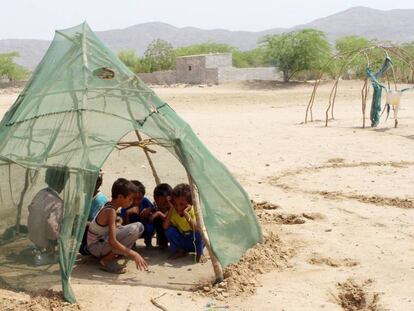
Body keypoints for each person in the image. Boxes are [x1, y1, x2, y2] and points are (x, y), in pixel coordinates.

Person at [87, 178, 147, 274]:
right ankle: (106, 260)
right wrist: (134, 254)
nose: (131, 202)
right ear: (120, 197)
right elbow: (112, 241)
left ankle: (112, 255)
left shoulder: (110, 206)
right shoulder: (111, 211)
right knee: (134, 229)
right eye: (130, 199)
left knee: (139, 227)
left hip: (100, 242)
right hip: (96, 247)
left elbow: (114, 230)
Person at [28, 166, 69, 265]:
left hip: (33, 235)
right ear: (61, 183)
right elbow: (51, 226)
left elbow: (30, 208)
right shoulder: (58, 202)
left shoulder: (40, 193)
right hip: (44, 239)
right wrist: (52, 245)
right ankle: (48, 253)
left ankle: (39, 249)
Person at [163, 183, 203, 262]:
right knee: (169, 231)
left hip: (195, 243)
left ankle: (200, 254)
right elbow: (165, 226)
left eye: (182, 204)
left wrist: (185, 213)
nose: (178, 207)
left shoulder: (194, 211)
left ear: (190, 204)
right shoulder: (174, 211)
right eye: (176, 204)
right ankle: (180, 251)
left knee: (199, 232)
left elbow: (196, 229)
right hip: (184, 242)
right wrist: (171, 208)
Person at [121, 180, 156, 248]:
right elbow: (124, 226)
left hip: (145, 228)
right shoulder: (125, 206)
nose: (136, 202)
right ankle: (132, 244)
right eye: (133, 199)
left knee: (151, 225)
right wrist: (127, 214)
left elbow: (154, 208)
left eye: (139, 199)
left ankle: (148, 242)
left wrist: (149, 209)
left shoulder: (145, 201)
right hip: (132, 231)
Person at [149, 183, 173, 249]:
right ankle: (162, 244)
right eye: (158, 203)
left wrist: (159, 213)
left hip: (175, 235)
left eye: (165, 203)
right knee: (157, 220)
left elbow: (170, 221)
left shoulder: (175, 208)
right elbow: (150, 219)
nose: (162, 206)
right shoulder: (156, 208)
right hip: (165, 233)